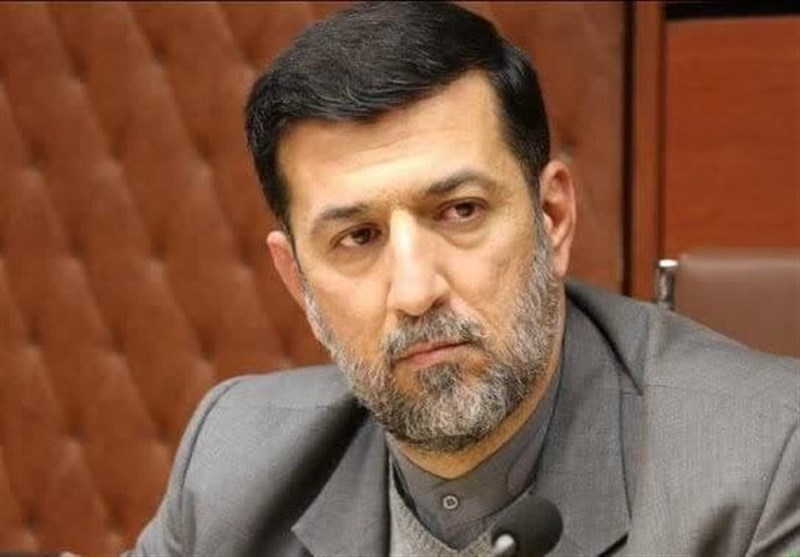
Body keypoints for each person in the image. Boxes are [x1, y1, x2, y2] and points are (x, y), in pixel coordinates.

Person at [127, 2, 799, 555]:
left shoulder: (764, 464)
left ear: (553, 217)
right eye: (358, 238)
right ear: (298, 281)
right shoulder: (233, 463)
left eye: (460, 211)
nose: (415, 291)